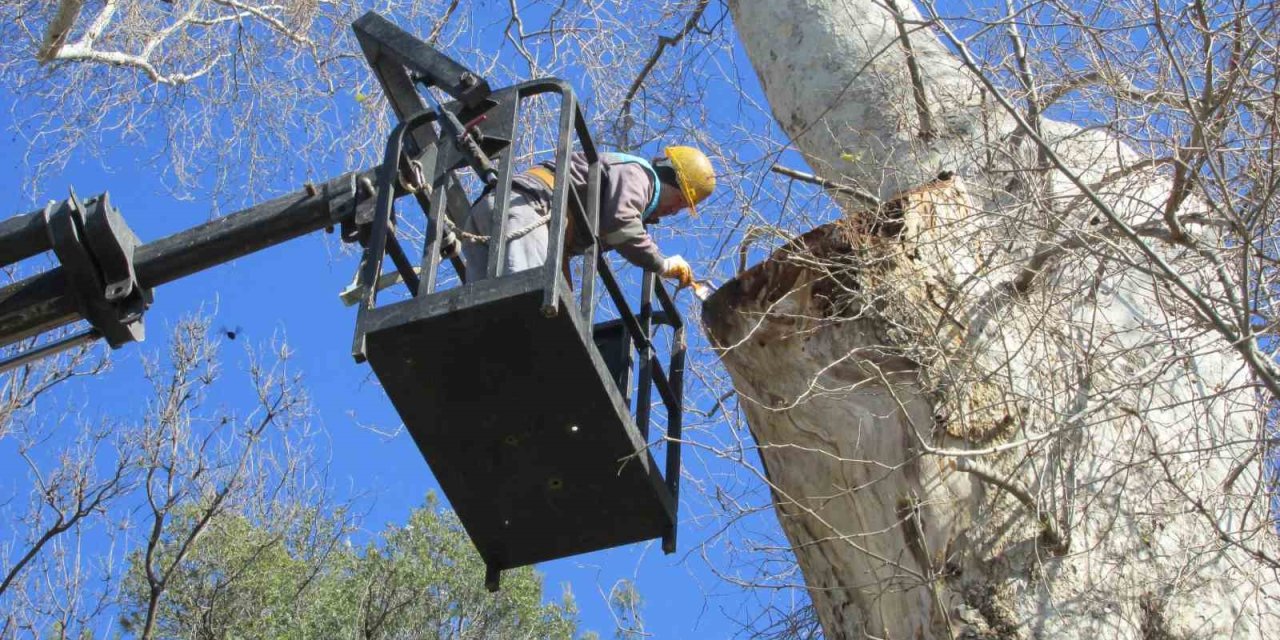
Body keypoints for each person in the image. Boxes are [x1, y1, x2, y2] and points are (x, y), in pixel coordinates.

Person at [460, 146, 715, 287]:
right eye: (680, 202)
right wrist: (662, 264)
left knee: (488, 312)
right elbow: (623, 225)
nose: (673, 211)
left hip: (499, 212)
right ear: (671, 180)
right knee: (524, 307)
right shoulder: (639, 175)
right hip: (525, 212)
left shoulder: (624, 183)